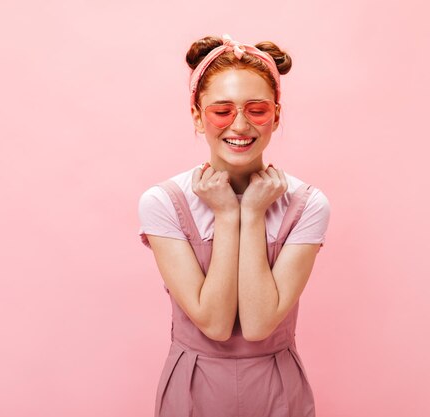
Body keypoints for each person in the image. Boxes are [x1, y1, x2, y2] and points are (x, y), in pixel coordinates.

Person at [137, 33, 331, 417]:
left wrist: (253, 211)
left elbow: (258, 325)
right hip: (193, 388)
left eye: (256, 109)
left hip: (277, 388)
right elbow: (215, 323)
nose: (239, 125)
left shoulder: (307, 204)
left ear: (277, 114)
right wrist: (227, 214)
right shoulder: (162, 202)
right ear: (196, 115)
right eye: (221, 111)